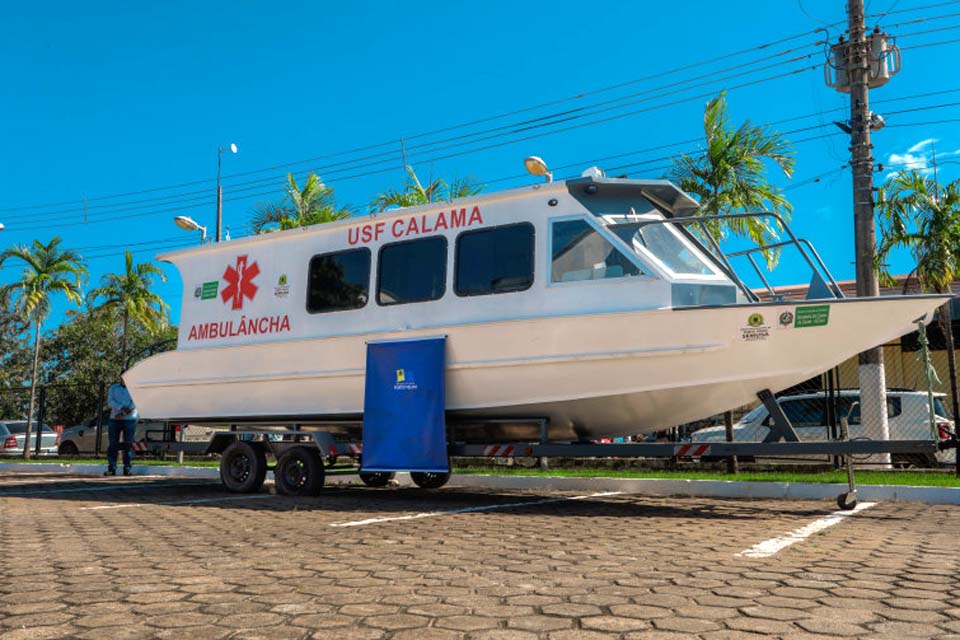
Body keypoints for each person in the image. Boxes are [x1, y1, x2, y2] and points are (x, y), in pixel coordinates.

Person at [105, 379, 138, 476]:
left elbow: (134, 404)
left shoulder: (134, 388)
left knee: (128, 444)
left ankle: (127, 468)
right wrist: (121, 408)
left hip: (130, 419)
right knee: (113, 444)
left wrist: (122, 413)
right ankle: (112, 468)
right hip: (114, 419)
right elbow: (110, 401)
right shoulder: (113, 388)